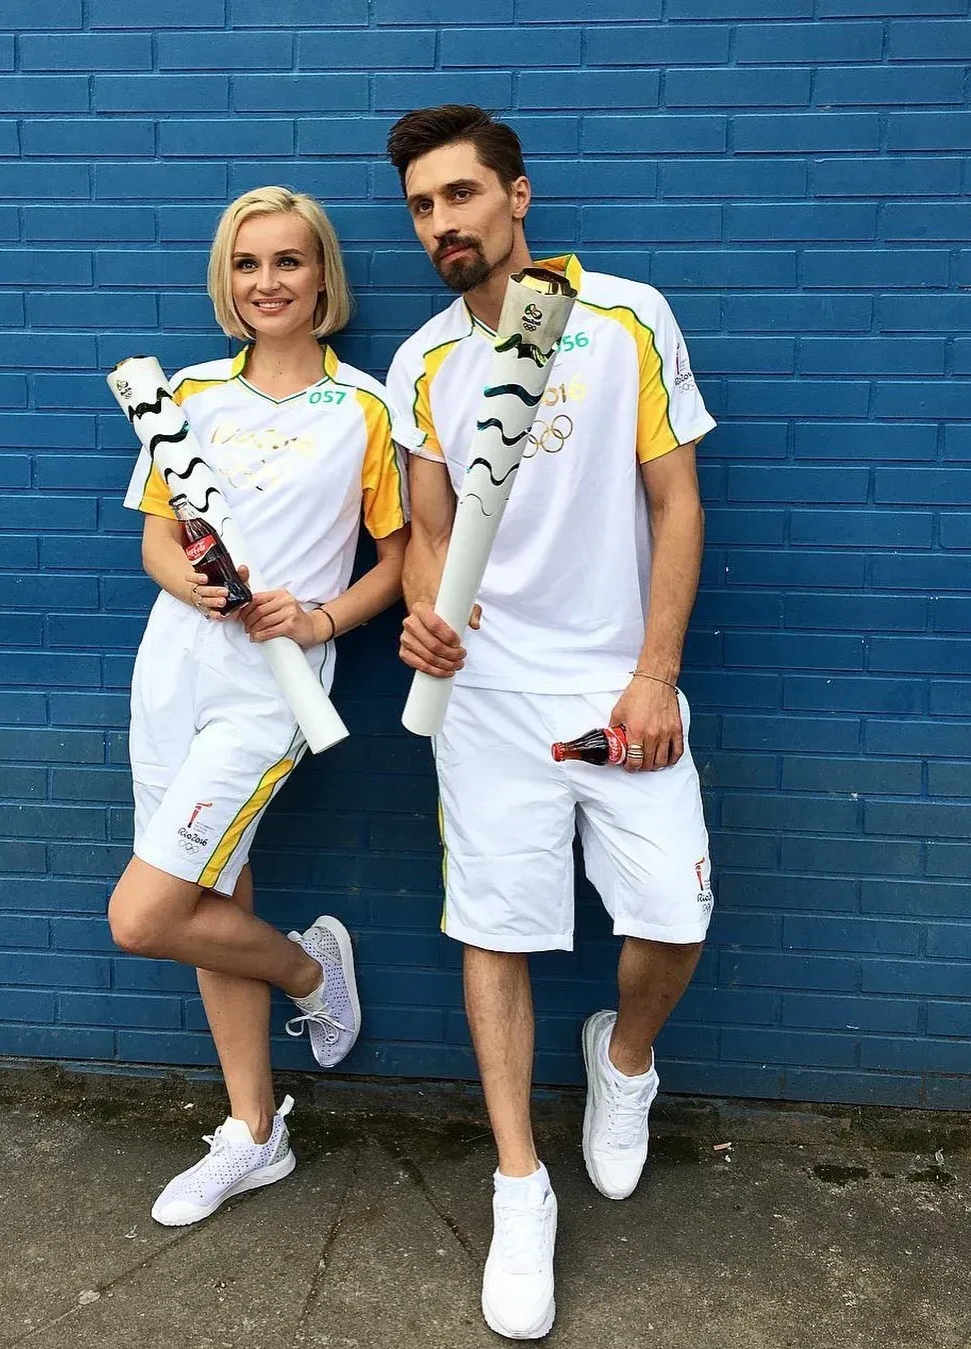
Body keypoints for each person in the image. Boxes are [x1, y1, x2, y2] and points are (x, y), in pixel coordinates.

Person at [385, 106, 715, 1340]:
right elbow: (428, 536)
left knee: (674, 915)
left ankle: (623, 1061)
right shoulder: (424, 361)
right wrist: (427, 617)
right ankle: (520, 1184)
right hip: (486, 700)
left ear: (517, 197)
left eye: (461, 195)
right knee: (498, 929)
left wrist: (655, 672)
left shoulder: (625, 318)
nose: (443, 223)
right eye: (422, 207)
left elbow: (675, 502)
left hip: (615, 683)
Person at [107, 186, 409, 1227]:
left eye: (288, 261)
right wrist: (192, 585)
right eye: (248, 264)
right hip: (172, 671)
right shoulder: (186, 393)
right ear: (226, 280)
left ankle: (309, 971)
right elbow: (158, 539)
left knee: (145, 916)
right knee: (212, 893)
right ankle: (254, 1131)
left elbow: (400, 562)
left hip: (271, 690)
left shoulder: (365, 408)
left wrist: (320, 618)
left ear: (323, 276)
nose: (267, 282)